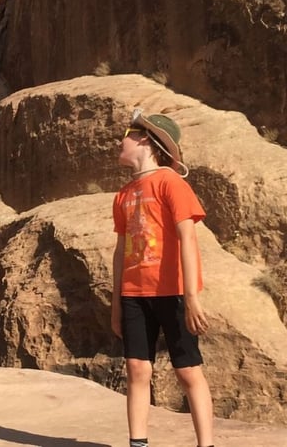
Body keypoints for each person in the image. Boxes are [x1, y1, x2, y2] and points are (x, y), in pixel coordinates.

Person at [111, 110, 214, 447]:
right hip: (134, 294)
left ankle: (206, 444)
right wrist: (116, 303)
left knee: (187, 372)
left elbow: (187, 238)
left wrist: (192, 297)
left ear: (145, 140)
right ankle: (137, 443)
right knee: (137, 370)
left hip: (173, 291)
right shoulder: (124, 195)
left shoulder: (171, 182)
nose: (119, 140)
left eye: (126, 133)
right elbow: (120, 251)